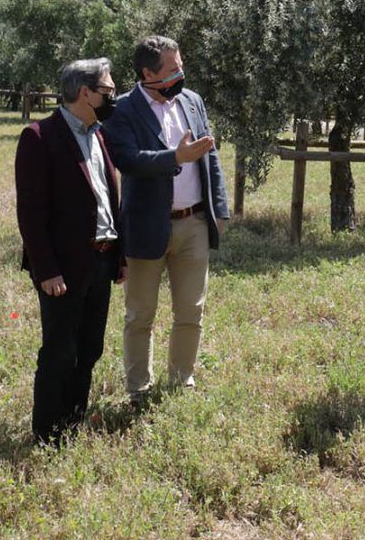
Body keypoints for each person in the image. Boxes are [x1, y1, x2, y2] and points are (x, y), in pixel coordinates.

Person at [105, 35, 230, 407]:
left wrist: (218, 209)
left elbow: (211, 157)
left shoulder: (192, 102)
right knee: (140, 314)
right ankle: (138, 388)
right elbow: (128, 160)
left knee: (191, 309)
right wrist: (175, 157)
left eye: (181, 65)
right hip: (146, 225)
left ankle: (181, 379)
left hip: (193, 222)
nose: (181, 73)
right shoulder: (122, 110)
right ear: (148, 73)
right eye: (173, 69)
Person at [15, 57, 125, 445]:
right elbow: (30, 213)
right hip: (63, 269)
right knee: (60, 351)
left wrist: (119, 256)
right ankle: (47, 434)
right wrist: (46, 270)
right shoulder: (39, 137)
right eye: (108, 91)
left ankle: (72, 425)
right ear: (86, 93)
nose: (113, 97)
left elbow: (108, 198)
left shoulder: (98, 135)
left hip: (102, 260)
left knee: (90, 349)